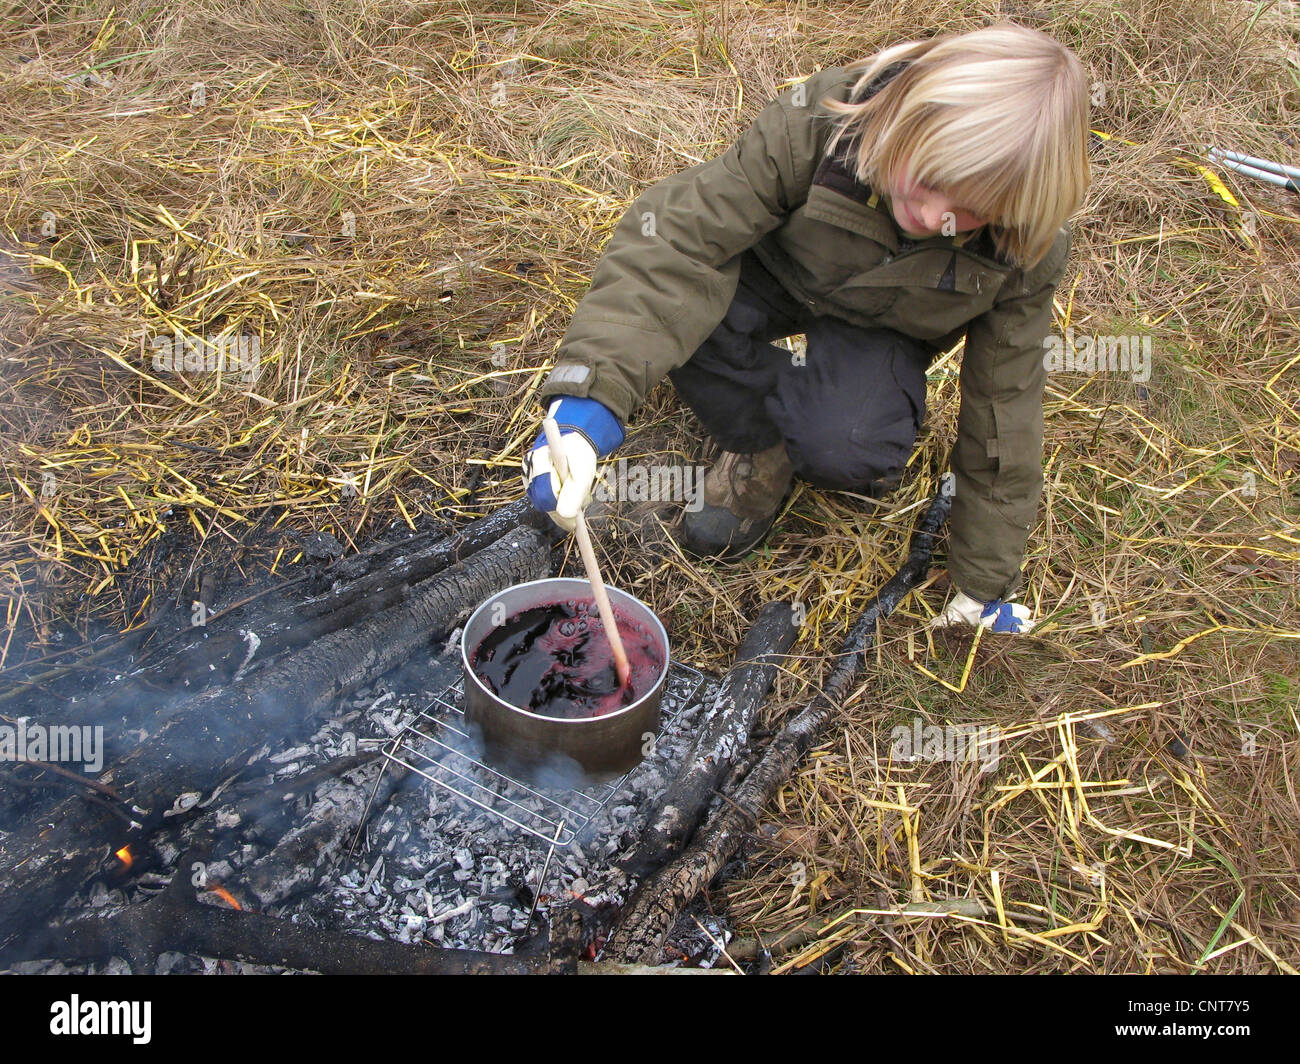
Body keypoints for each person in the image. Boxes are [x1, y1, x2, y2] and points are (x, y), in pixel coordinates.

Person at [522, 22, 1091, 634]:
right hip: (776, 275)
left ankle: (806, 430)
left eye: (968, 211)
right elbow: (677, 241)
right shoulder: (824, 122)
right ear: (905, 119)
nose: (931, 217)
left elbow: (1005, 404)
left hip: (884, 331)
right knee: (686, 317)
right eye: (926, 180)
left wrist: (984, 581)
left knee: (849, 444)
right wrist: (588, 403)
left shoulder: (1021, 247)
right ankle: (762, 442)